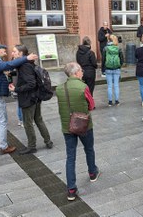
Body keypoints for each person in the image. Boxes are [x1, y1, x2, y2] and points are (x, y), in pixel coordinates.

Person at [0, 44, 38, 155]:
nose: (6, 54)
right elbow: (9, 64)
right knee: (2, 121)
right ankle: (4, 147)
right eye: (4, 52)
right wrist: (26, 58)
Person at [55, 62, 98, 201]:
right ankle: (92, 173)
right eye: (81, 70)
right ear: (75, 72)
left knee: (70, 156)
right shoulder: (83, 87)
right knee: (89, 149)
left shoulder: (60, 88)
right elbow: (91, 105)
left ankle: (71, 189)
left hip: (67, 126)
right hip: (84, 125)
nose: (82, 72)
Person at [9, 44, 53, 155]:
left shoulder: (24, 66)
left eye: (14, 51)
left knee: (28, 123)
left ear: (21, 53)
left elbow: (31, 83)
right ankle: (48, 141)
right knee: (38, 119)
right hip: (36, 97)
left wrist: (16, 89)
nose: (12, 53)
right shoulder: (28, 63)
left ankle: (32, 146)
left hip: (29, 98)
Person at [102, 35, 124, 106]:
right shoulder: (118, 48)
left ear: (108, 40)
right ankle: (117, 101)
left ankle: (110, 102)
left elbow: (103, 60)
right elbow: (122, 59)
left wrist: (103, 69)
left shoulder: (105, 48)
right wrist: (119, 66)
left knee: (109, 86)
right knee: (116, 85)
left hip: (108, 68)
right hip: (116, 68)